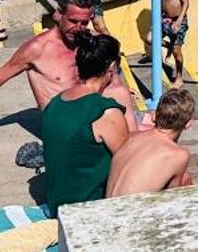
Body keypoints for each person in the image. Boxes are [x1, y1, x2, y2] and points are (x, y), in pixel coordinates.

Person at [0, 0, 140, 159]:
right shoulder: (37, 49)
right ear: (57, 15)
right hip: (66, 124)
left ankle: (135, 153)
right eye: (73, 21)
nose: (79, 28)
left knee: (122, 94)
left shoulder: (86, 43)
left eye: (84, 23)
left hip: (92, 116)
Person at [41, 32, 131, 216]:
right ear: (112, 67)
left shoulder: (55, 103)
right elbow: (128, 163)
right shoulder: (106, 112)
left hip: (57, 206)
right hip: (87, 211)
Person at [108, 86, 195, 198]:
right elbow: (174, 196)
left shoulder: (132, 137)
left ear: (153, 116)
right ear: (188, 124)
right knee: (185, 180)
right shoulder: (179, 154)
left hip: (108, 206)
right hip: (130, 213)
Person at [159, 0, 189, 82]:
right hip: (166, 20)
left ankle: (179, 77)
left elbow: (186, 2)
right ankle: (170, 46)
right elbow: (163, 3)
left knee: (177, 52)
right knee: (150, 39)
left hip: (178, 20)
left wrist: (178, 21)